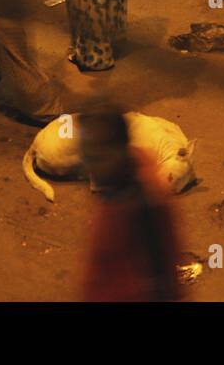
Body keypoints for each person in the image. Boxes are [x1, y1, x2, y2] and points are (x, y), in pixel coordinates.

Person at [78, 108, 182, 302]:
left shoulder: (140, 199)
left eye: (97, 157)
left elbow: (160, 266)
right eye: (88, 156)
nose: (91, 167)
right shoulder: (126, 184)